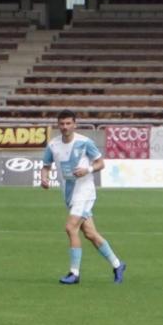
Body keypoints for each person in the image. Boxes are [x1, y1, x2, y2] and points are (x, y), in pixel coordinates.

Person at [39, 110, 123, 285]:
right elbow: (46, 166)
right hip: (69, 194)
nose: (65, 127)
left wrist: (88, 169)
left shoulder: (85, 142)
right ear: (58, 125)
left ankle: (74, 273)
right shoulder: (53, 145)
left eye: (68, 123)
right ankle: (117, 264)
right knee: (90, 234)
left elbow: (101, 163)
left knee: (70, 228)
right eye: (62, 124)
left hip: (84, 191)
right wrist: (44, 177)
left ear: (75, 124)